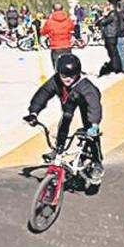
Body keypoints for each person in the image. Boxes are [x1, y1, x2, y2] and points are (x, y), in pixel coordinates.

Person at [24, 53, 104, 183]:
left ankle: (97, 162)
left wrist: (94, 124)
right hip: (69, 99)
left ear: (77, 73)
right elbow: (44, 93)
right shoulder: (56, 80)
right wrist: (33, 112)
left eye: (71, 76)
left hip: (85, 100)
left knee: (90, 129)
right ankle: (59, 148)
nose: (67, 79)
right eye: (63, 76)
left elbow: (94, 105)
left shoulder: (86, 87)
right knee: (66, 118)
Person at [96, 0, 124, 76]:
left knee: (113, 53)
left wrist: (101, 18)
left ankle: (116, 68)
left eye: (108, 5)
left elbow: (103, 22)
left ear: (112, 6)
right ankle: (116, 67)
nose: (107, 6)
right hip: (111, 35)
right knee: (113, 53)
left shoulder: (112, 14)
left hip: (110, 35)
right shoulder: (113, 13)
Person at [41, 2, 75, 68]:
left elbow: (43, 32)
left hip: (56, 47)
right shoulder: (68, 20)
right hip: (67, 46)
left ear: (52, 10)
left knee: (57, 67)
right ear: (63, 10)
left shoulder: (49, 22)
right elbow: (72, 27)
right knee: (68, 66)